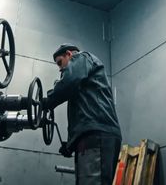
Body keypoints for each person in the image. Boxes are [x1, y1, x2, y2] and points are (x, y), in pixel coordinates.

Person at [43, 43, 122, 185]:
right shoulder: (83, 78)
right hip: (96, 135)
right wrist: (71, 145)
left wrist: (48, 100)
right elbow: (83, 115)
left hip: (97, 135)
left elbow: (68, 82)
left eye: (60, 63)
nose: (61, 69)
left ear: (69, 54)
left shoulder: (81, 58)